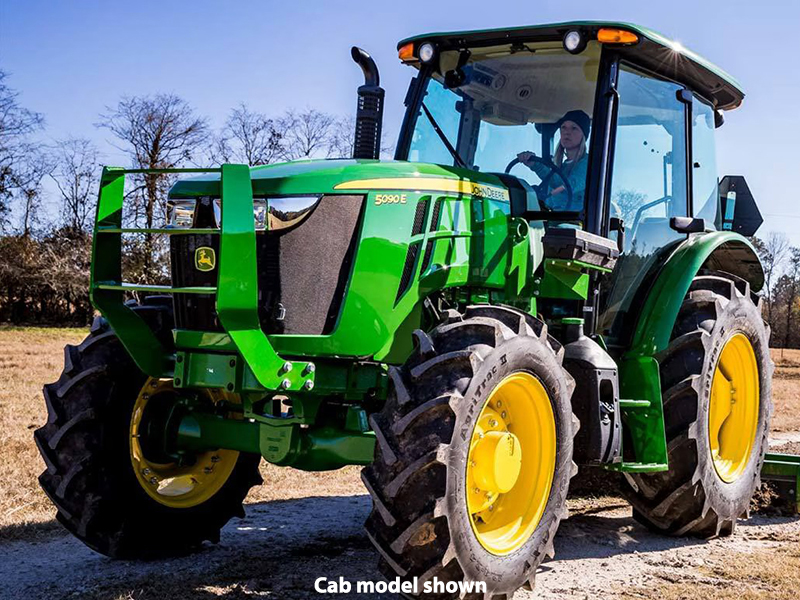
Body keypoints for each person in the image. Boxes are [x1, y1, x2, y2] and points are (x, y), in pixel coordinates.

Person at [516, 109, 591, 211]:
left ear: (583, 135)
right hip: (554, 221)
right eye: (563, 127)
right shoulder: (561, 167)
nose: (567, 132)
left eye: (574, 128)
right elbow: (551, 197)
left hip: (573, 223)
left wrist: (536, 165)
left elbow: (566, 187)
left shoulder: (588, 164)